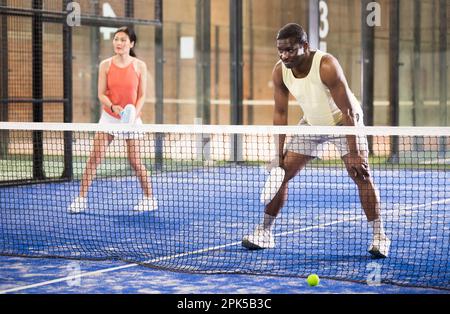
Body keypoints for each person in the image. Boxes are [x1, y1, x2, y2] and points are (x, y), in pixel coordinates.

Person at [242, 23, 390, 258]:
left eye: (290, 49)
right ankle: (265, 233)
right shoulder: (280, 70)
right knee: (281, 174)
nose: (284, 55)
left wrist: (353, 152)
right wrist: (278, 154)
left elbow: (348, 111)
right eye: (280, 50)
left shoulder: (326, 65)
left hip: (344, 122)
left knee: (361, 173)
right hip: (311, 124)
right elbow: (280, 114)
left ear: (305, 46)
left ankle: (379, 237)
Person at [68, 26, 157, 213]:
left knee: (134, 160)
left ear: (131, 43)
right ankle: (81, 199)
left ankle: (150, 198)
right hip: (110, 117)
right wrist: (113, 107)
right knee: (95, 158)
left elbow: (142, 96)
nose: (118, 43)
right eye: (116, 39)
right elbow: (101, 94)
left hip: (132, 119)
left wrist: (133, 115)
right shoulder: (106, 65)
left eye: (123, 40)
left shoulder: (140, 65)